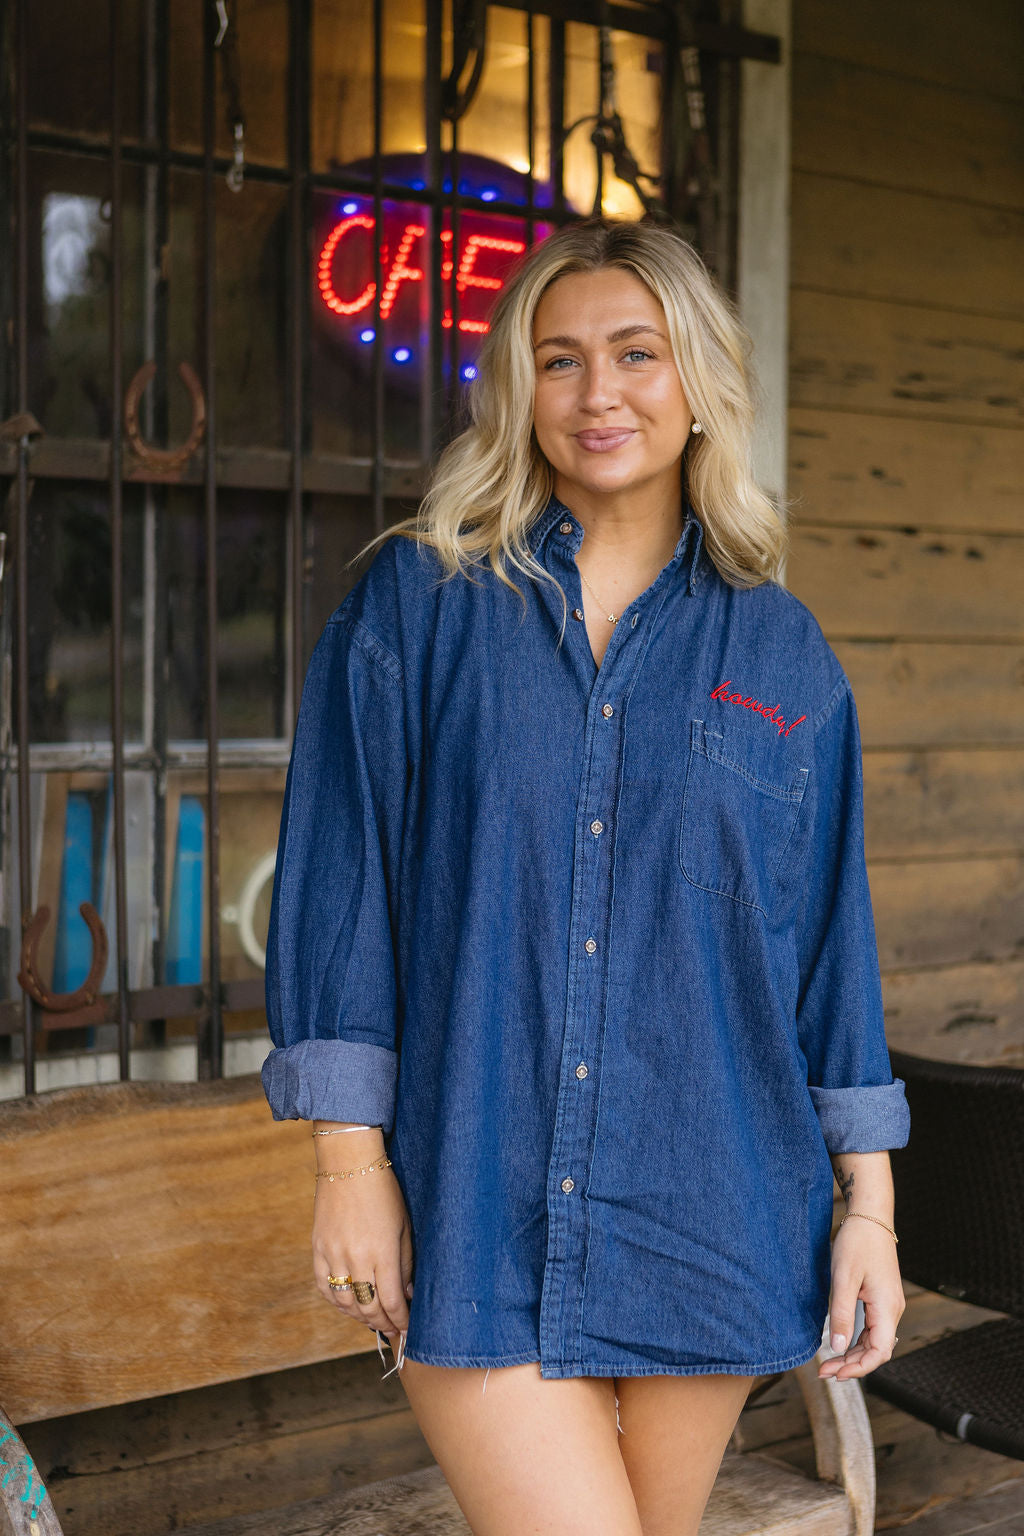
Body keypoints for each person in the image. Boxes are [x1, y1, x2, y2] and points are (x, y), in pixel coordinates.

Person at [262, 217, 910, 1536]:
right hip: (473, 1196)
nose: (597, 394)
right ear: (518, 390)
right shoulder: (417, 610)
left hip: (716, 1205)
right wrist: (349, 1166)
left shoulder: (785, 657)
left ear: (699, 383)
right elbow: (346, 890)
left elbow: (827, 948)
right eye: (558, 361)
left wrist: (872, 1215)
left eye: (634, 353)